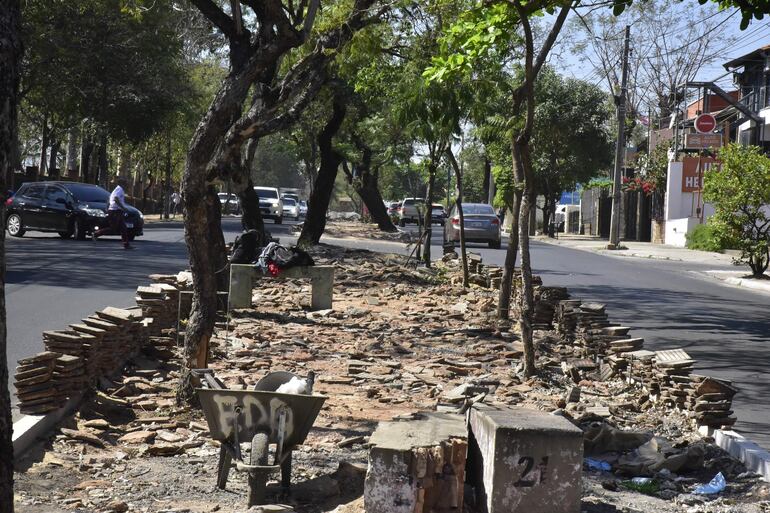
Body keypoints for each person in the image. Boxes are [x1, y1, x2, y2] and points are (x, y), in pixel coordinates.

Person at [93, 180, 132, 249]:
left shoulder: (118, 189)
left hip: (117, 211)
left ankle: (126, 244)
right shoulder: (119, 189)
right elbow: (115, 199)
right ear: (123, 184)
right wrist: (123, 208)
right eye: (127, 184)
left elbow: (109, 198)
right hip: (115, 211)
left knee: (123, 228)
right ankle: (96, 234)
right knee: (113, 228)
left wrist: (107, 207)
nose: (128, 185)